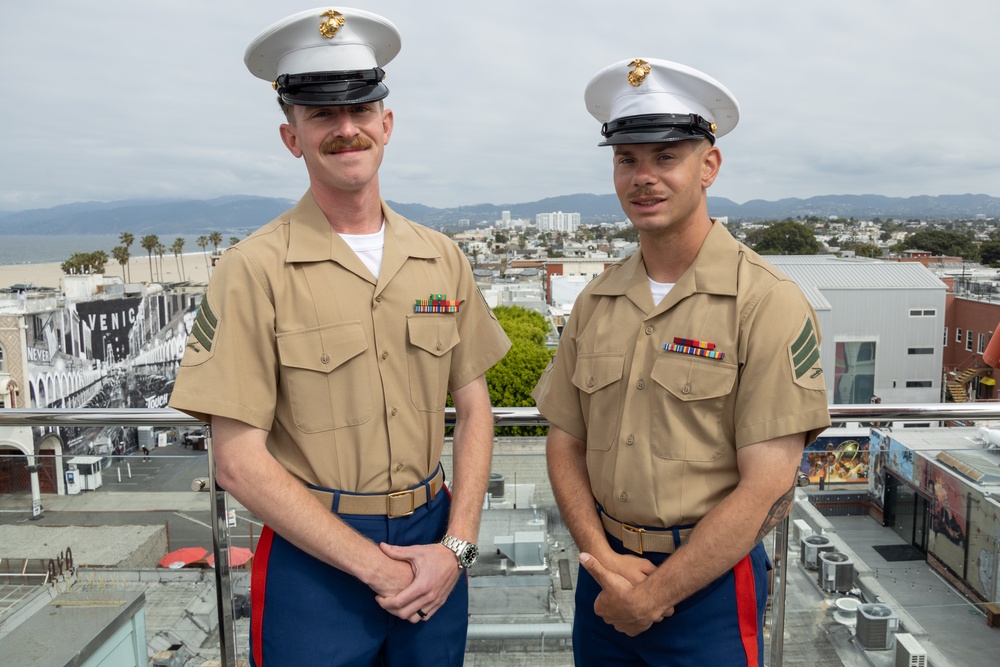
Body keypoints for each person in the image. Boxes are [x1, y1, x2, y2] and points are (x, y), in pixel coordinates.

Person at [168, 8, 510, 667]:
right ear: (291, 135)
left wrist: (456, 548)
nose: (346, 128)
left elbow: (475, 409)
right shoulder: (252, 270)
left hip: (433, 545)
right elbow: (237, 460)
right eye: (322, 113)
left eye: (361, 107)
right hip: (313, 562)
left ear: (387, 122)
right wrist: (377, 569)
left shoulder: (442, 259)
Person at [532, 58, 830, 666]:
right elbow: (565, 441)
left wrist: (655, 596)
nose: (643, 177)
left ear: (709, 165)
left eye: (666, 156)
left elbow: (769, 484)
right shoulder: (597, 299)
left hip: (709, 591)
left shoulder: (766, 301)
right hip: (605, 574)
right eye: (627, 159)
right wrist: (600, 557)